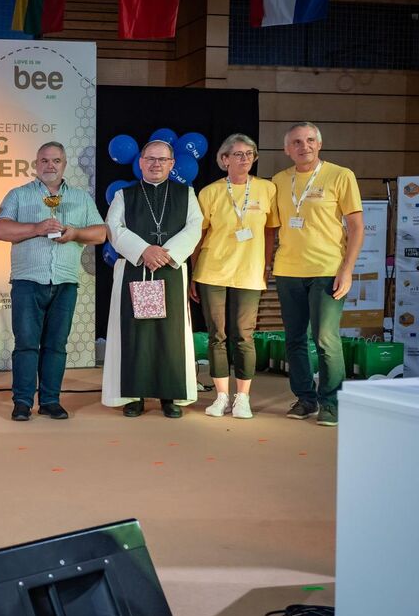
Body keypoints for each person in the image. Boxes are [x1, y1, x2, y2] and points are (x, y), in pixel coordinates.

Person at [0, 141, 107, 421]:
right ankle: (22, 402)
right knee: (26, 344)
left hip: (65, 282)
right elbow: (0, 229)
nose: (50, 166)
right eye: (44, 160)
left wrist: (75, 233)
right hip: (27, 281)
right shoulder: (18, 195)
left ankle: (50, 401)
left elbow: (101, 234)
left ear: (64, 165)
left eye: (56, 161)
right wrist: (36, 228)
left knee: (56, 345)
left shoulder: (80, 198)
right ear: (36, 164)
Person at [270, 122, 363, 427]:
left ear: (319, 144)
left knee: (325, 338)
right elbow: (271, 227)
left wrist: (347, 270)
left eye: (310, 140)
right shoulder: (278, 180)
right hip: (288, 271)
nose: (304, 146)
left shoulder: (341, 175)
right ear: (287, 149)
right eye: (297, 142)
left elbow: (356, 227)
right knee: (295, 338)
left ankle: (331, 402)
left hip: (327, 270)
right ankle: (305, 399)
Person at [102, 140, 203, 417]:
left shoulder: (186, 194)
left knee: (170, 335)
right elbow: (113, 228)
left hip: (170, 269)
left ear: (172, 164)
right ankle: (133, 395)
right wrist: (144, 250)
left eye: (162, 159)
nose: (156, 164)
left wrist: (166, 254)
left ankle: (170, 396)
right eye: (150, 159)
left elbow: (195, 227)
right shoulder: (124, 195)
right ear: (141, 162)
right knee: (135, 333)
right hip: (134, 269)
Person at [190, 134, 278, 419]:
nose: (245, 159)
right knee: (217, 335)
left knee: (244, 335)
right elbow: (199, 235)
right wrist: (193, 274)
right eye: (238, 154)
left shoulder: (267, 189)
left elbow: (270, 231)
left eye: (250, 154)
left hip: (249, 271)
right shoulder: (210, 192)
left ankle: (243, 398)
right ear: (224, 159)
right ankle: (221, 397)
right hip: (212, 270)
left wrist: (266, 265)